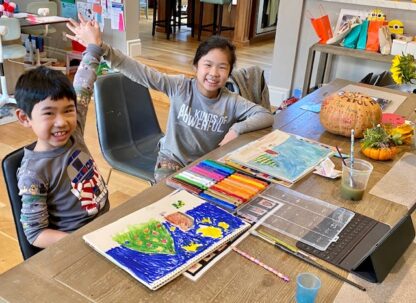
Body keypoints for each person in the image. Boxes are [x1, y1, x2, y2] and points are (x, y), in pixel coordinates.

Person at [67, 15, 274, 182]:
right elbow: (141, 72)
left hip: (206, 163)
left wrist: (237, 129)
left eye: (222, 67)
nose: (214, 73)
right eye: (207, 65)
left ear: (229, 72)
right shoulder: (181, 86)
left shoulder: (231, 100)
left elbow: (265, 114)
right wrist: (102, 47)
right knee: (167, 196)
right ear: (196, 66)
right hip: (171, 159)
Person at [14, 46, 109, 248]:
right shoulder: (33, 173)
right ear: (24, 117)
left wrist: (93, 47)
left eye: (68, 111)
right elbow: (35, 233)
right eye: (49, 113)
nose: (62, 122)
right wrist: (84, 242)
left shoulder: (73, 130)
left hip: (104, 226)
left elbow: (83, 85)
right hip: (78, 244)